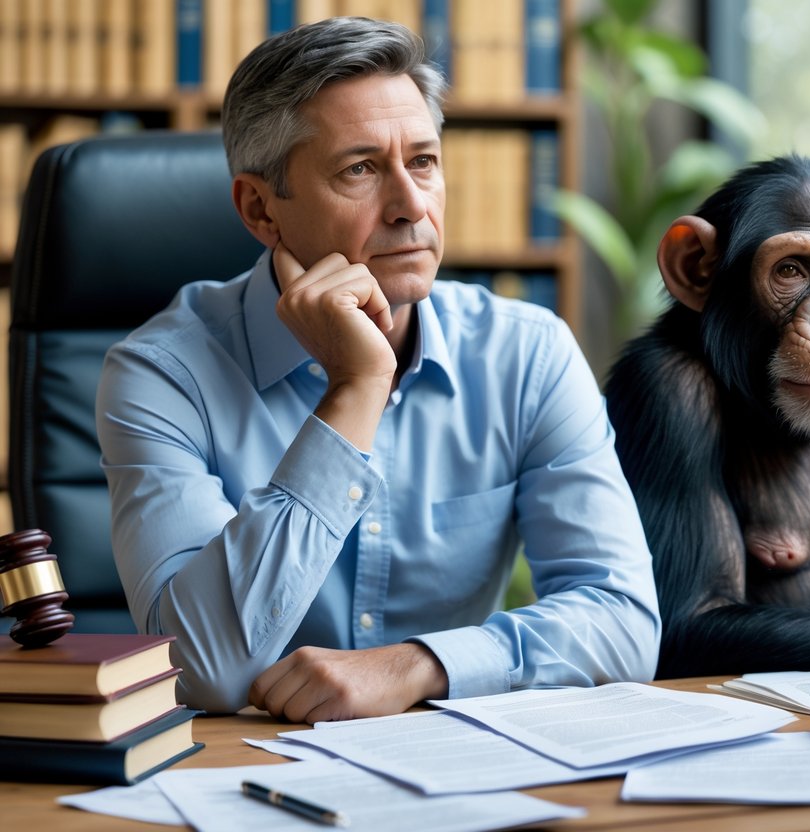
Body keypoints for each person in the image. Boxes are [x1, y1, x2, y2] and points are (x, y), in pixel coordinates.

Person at [95, 16, 661, 722]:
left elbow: (623, 620)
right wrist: (355, 389)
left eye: (423, 161)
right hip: (239, 774)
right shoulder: (161, 375)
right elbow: (201, 666)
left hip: (455, 762)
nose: (411, 206)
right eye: (359, 169)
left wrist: (418, 666)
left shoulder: (526, 353)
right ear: (260, 209)